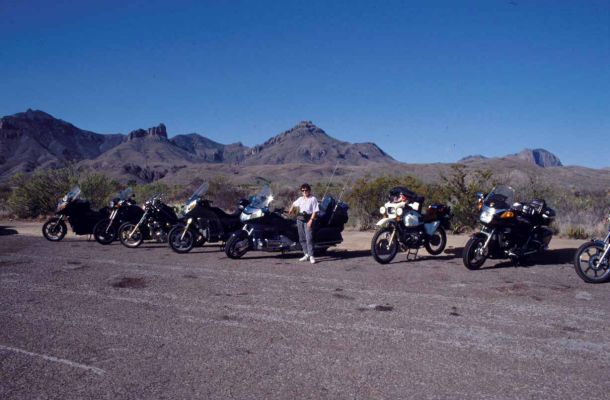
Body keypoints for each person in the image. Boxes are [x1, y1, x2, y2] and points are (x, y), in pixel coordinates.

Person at [288, 183, 319, 264]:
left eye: (306, 190)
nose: (304, 191)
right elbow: (294, 204)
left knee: (309, 238)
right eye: (303, 190)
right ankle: (306, 254)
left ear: (309, 190)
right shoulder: (300, 199)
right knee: (302, 238)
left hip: (309, 219)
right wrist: (291, 210)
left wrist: (310, 221)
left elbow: (315, 211)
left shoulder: (313, 199)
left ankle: (311, 256)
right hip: (299, 219)